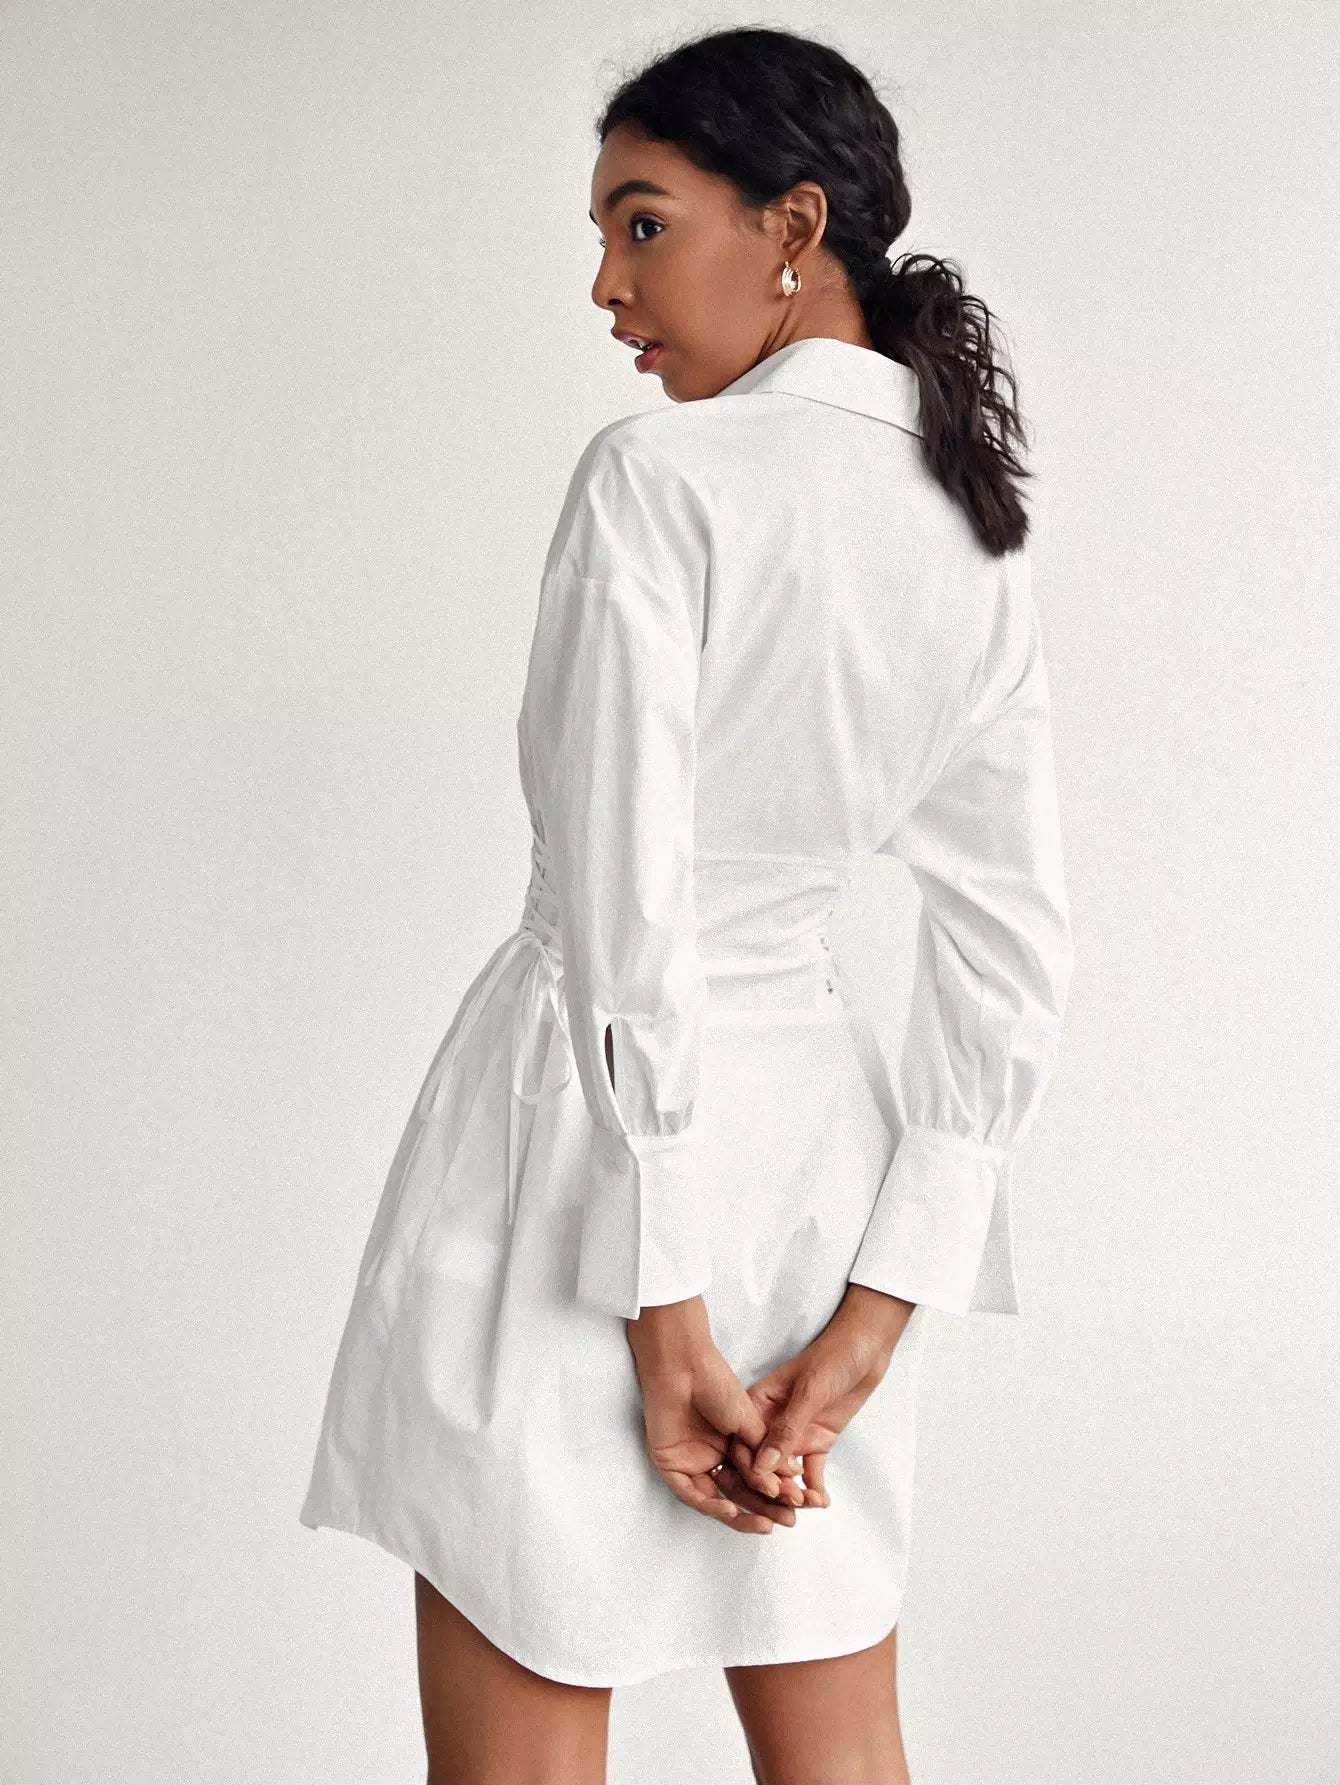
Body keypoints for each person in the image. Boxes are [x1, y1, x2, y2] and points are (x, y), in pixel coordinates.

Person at [299, 25, 1074, 1785]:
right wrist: (880, 1307)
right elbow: (1013, 945)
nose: (606, 284)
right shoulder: (969, 526)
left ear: (794, 224)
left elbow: (625, 909)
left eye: (641, 224)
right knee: (841, 1748)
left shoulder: (659, 483)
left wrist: (663, 1308)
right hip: (814, 1163)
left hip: (579, 1159)